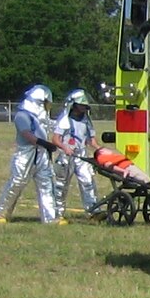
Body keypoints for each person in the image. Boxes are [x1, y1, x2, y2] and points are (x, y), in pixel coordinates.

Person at [0, 83, 64, 224]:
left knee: (46, 184)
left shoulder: (41, 118)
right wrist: (44, 143)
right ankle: (1, 213)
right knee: (17, 182)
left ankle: (51, 218)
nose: (46, 106)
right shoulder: (22, 115)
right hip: (26, 154)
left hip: (41, 154)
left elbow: (52, 126)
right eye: (45, 103)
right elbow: (27, 134)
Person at [53, 87, 100, 218]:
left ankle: (93, 212)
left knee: (88, 181)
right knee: (61, 185)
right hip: (66, 156)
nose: (85, 108)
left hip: (82, 156)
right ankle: (58, 213)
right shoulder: (65, 119)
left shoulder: (86, 119)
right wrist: (65, 148)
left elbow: (92, 140)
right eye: (82, 105)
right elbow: (55, 139)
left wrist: (100, 149)